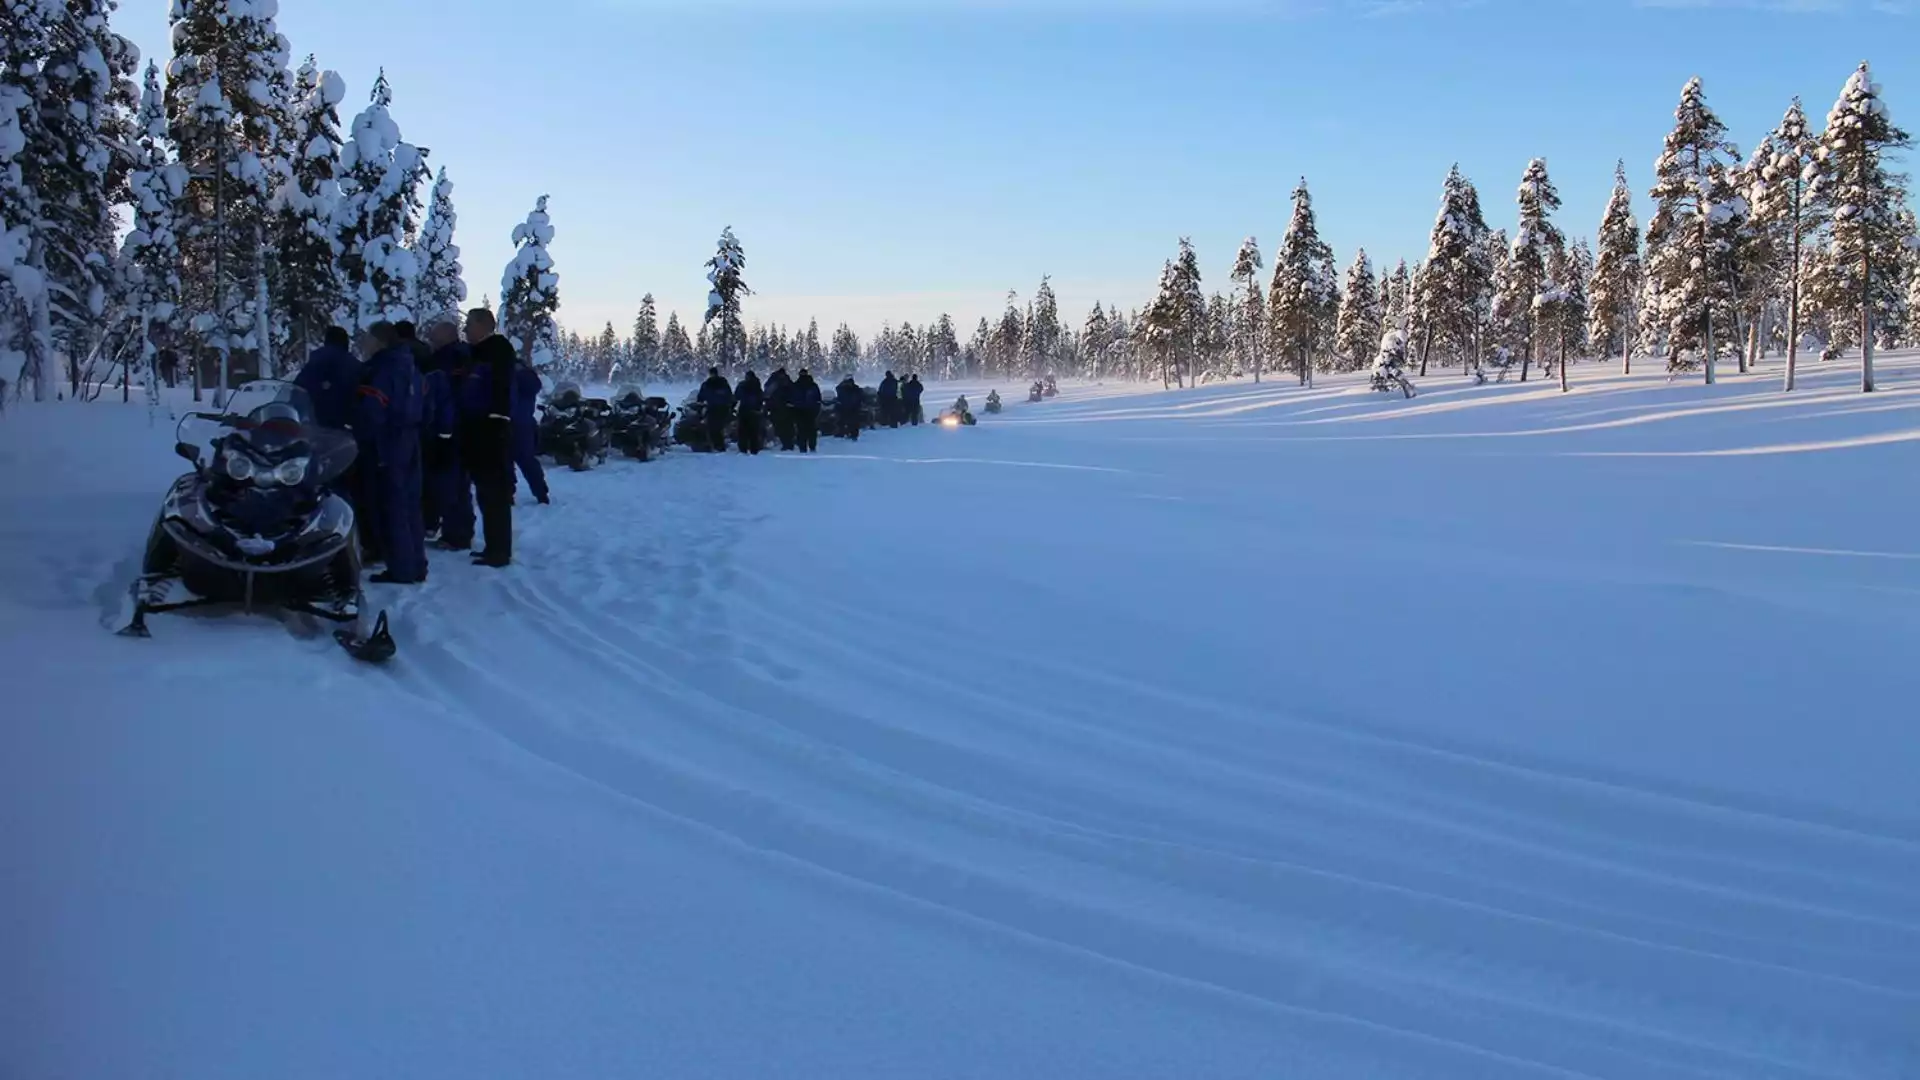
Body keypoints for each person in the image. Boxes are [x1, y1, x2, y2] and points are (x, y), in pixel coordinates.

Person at [354, 322, 427, 585]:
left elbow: (373, 410)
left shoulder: (382, 369)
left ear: (379, 341)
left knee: (392, 506)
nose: (364, 344)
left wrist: (357, 433)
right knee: (410, 504)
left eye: (367, 339)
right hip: (411, 439)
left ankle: (402, 568)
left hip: (388, 442)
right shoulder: (412, 367)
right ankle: (416, 563)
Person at [460, 308, 517, 568]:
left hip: (490, 430)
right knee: (485, 492)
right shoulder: (482, 352)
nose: (466, 329)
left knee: (493, 491)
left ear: (483, 325)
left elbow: (495, 390)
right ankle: (493, 546)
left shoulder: (496, 352)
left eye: (469, 324)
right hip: (480, 429)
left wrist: (493, 422)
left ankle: (499, 550)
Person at [424, 319, 473, 550]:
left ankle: (457, 533)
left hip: (450, 430)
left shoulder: (447, 359)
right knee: (458, 483)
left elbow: (445, 397)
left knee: (450, 483)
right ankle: (459, 530)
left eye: (434, 335)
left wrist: (444, 432)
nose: (431, 338)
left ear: (445, 336)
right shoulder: (461, 356)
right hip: (461, 428)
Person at [293, 326, 361, 431]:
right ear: (346, 343)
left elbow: (297, 391)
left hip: (315, 426)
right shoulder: (355, 366)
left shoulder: (315, 362)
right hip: (344, 430)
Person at [512, 357, 549, 505]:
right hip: (504, 423)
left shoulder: (524, 375)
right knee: (503, 463)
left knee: (527, 461)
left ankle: (541, 493)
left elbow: (534, 386)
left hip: (521, 424)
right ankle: (507, 495)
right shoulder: (497, 372)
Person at [697, 366, 732, 452]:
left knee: (714, 427)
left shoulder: (708, 384)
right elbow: (729, 394)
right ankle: (718, 445)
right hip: (721, 407)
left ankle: (718, 445)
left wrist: (700, 401)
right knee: (717, 427)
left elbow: (701, 395)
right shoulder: (722, 382)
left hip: (715, 407)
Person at [734, 370, 765, 455]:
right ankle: (754, 449)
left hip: (743, 410)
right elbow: (762, 397)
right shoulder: (757, 386)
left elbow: (736, 397)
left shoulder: (742, 385)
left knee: (742, 431)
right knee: (754, 432)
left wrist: (732, 407)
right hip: (755, 411)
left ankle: (743, 449)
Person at [791, 369, 823, 452]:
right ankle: (806, 447)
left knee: (805, 430)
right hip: (803, 410)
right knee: (806, 430)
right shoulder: (797, 385)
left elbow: (818, 399)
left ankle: (807, 447)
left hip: (806, 410)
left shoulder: (810, 386)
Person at [765, 366, 795, 451]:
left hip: (779, 407)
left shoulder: (774, 381)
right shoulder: (783, 381)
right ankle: (787, 443)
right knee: (785, 426)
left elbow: (767, 393)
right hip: (781, 407)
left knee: (783, 426)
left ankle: (787, 443)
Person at [834, 376, 864, 441]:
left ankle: (852, 434)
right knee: (843, 421)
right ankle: (844, 433)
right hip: (847, 407)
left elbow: (860, 397)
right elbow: (837, 389)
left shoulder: (854, 389)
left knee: (852, 422)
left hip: (851, 407)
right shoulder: (845, 388)